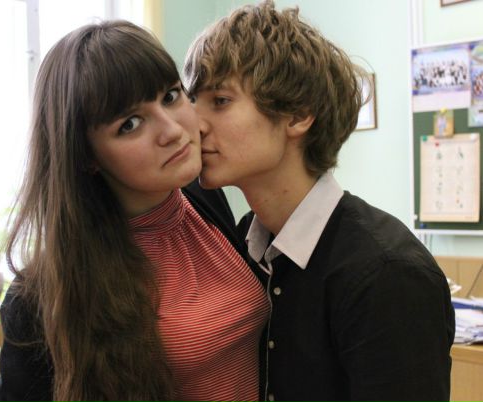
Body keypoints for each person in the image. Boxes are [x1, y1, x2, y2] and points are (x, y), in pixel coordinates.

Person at [185, 1, 455, 401]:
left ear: (298, 115)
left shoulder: (387, 274)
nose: (193, 123)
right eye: (192, 101)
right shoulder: (242, 244)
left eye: (220, 100)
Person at [0, 20, 269, 402]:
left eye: (171, 96)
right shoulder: (41, 296)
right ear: (85, 155)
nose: (172, 130)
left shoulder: (205, 197)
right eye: (131, 124)